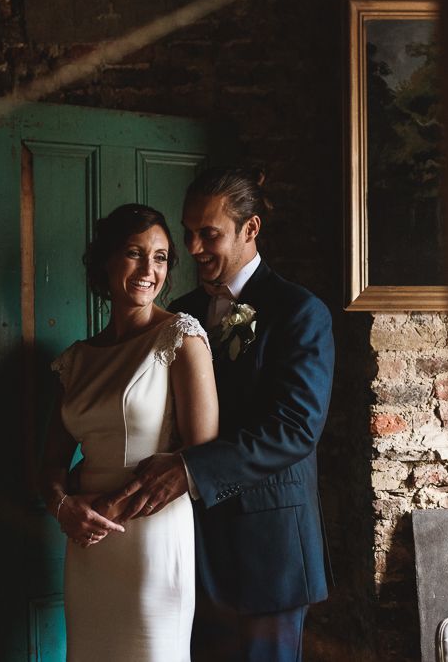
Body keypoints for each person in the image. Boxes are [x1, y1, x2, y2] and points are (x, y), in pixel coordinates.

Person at [101, 168, 335, 662]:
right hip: (187, 547)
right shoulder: (180, 313)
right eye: (188, 233)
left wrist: (189, 469)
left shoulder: (298, 311)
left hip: (267, 553)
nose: (194, 246)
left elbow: (295, 430)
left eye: (209, 233)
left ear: (250, 229)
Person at [40, 204, 218, 662]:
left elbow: (202, 456)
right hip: (86, 546)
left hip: (151, 536)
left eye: (160, 258)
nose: (149, 269)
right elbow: (50, 462)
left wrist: (110, 506)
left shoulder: (180, 338)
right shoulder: (76, 359)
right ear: (105, 262)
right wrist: (62, 508)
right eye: (135, 254)